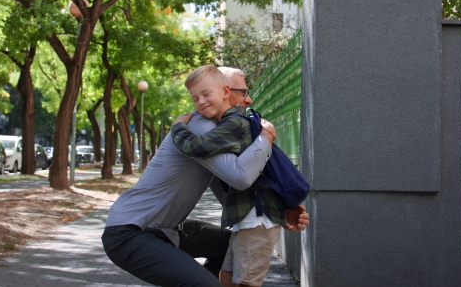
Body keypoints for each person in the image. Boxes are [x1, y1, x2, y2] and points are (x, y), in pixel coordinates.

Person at [102, 66, 309, 286]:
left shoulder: (221, 132)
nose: (249, 101)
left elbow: (230, 192)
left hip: (166, 229)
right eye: (244, 92)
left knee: (226, 247)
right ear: (225, 91)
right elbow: (240, 178)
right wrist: (266, 136)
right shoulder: (201, 126)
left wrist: (274, 213)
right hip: (131, 232)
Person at [170, 65, 291, 287]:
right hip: (247, 218)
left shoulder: (234, 123)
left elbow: (195, 146)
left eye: (206, 94)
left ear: (225, 91)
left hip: (258, 218)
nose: (200, 103)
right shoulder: (227, 123)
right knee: (226, 277)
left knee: (245, 282)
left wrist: (177, 127)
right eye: (195, 99)